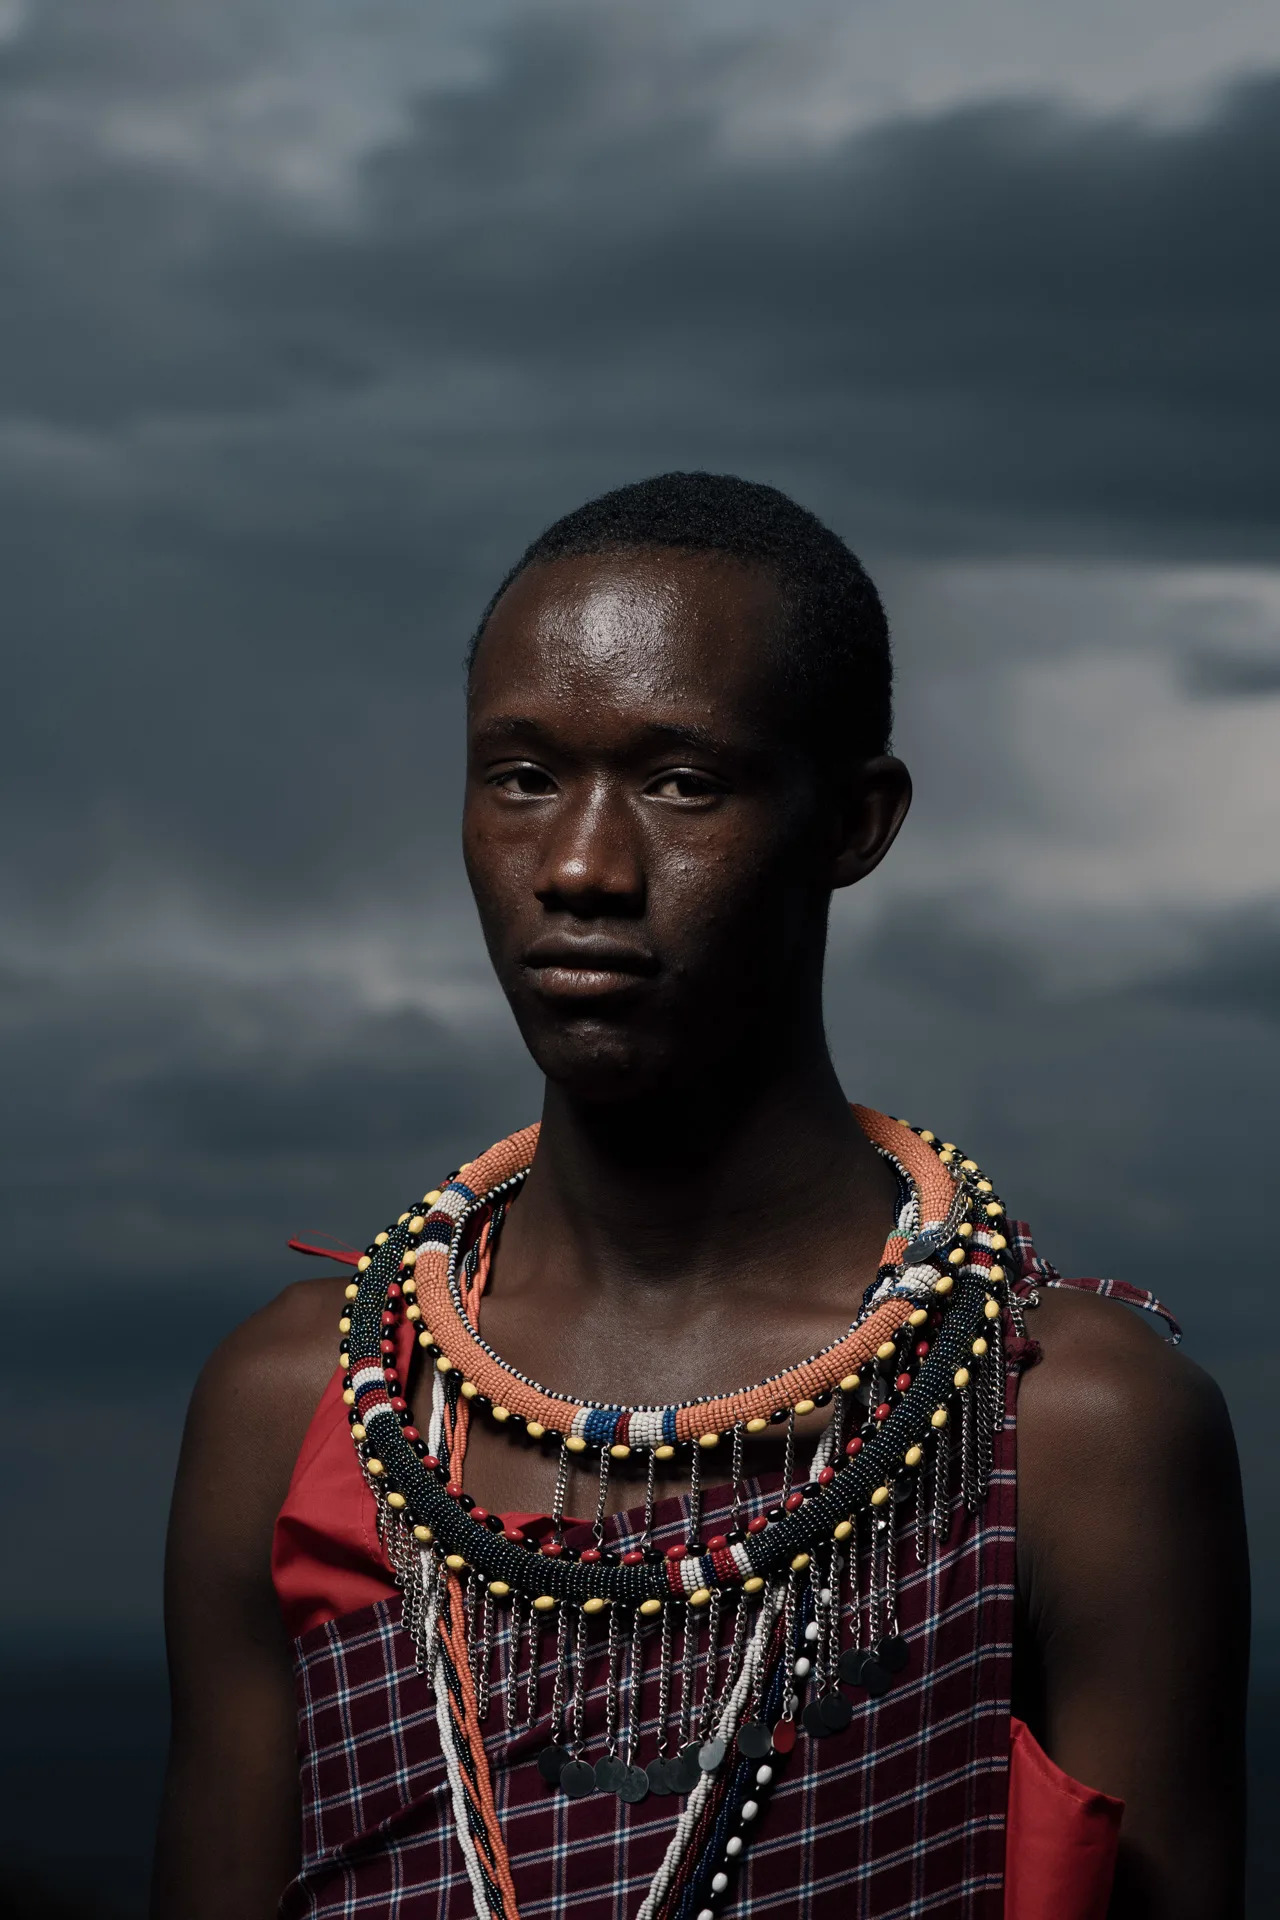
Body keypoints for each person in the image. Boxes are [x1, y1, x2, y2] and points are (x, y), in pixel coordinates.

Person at [152, 473, 1248, 1920]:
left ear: (856, 823)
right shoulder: (303, 1399)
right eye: (522, 778)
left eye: (683, 784)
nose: (582, 869)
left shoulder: (1071, 1428)